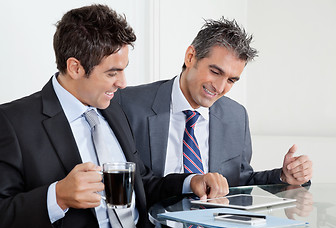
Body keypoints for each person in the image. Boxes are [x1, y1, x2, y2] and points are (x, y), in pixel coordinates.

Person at [0, 5, 229, 228]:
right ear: (75, 68)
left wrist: (190, 182)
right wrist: (57, 197)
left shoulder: (114, 109)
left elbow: (142, 182)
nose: (123, 83)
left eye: (123, 69)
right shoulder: (10, 122)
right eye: (112, 73)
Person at [116, 17, 313, 187]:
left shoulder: (236, 116)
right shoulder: (128, 104)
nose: (220, 87)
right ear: (191, 57)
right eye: (216, 72)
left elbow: (239, 182)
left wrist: (283, 176)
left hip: (215, 227)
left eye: (231, 80)